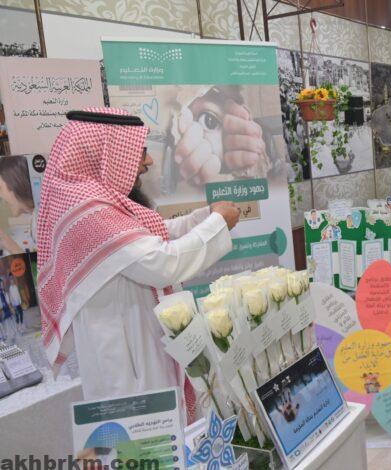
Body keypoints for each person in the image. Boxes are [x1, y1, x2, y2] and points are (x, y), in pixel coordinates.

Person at [37, 108, 240, 422]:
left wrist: (206, 217)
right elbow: (162, 262)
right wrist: (218, 224)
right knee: (145, 434)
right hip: (125, 358)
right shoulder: (89, 211)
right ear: (105, 154)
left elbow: (150, 236)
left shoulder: (94, 203)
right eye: (139, 151)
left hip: (135, 339)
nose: (148, 161)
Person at [0, 156, 36, 254]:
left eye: (0, 188)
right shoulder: (35, 216)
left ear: (16, 184)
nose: (0, 196)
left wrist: (12, 247)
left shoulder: (44, 222)